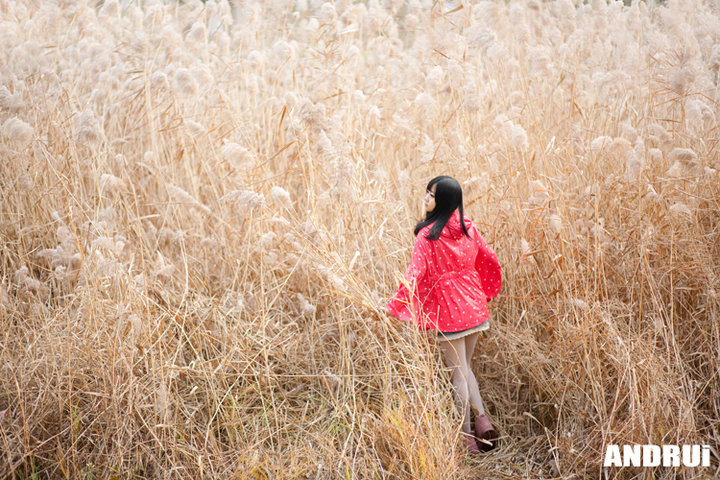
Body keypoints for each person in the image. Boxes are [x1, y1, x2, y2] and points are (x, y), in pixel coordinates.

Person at [386, 175, 502, 454]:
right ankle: (483, 421)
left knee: (457, 377)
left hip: (449, 312)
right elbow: (490, 258)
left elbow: (414, 273)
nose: (426, 197)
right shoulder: (469, 228)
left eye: (432, 195)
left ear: (445, 201)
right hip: (475, 308)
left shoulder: (428, 236)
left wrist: (395, 304)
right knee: (466, 368)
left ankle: (467, 438)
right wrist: (486, 289)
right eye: (426, 192)